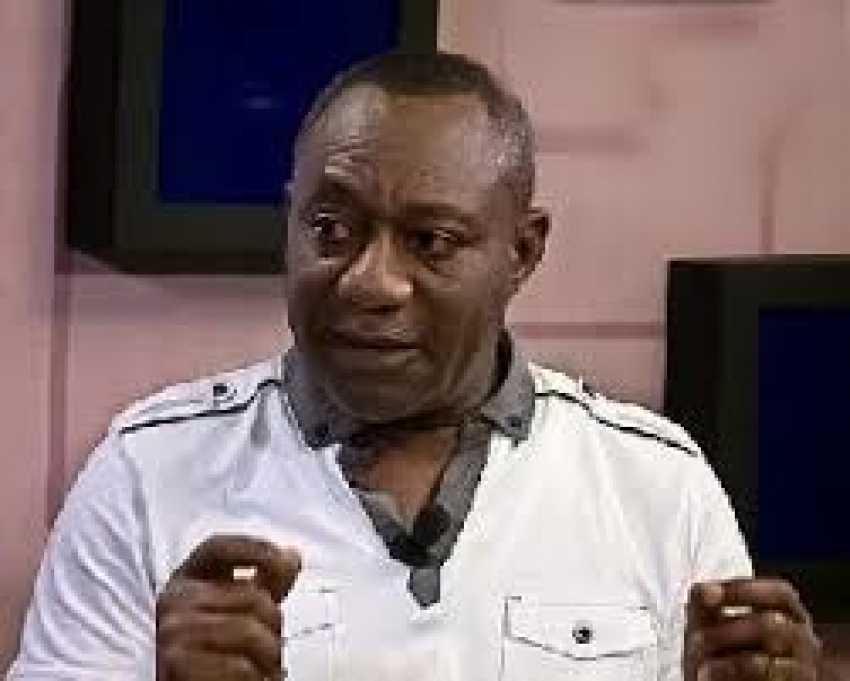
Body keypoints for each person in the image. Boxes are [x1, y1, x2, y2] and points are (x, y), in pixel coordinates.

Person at [8, 51, 822, 681]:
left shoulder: (656, 485)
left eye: (430, 241)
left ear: (521, 251)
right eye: (331, 229)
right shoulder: (149, 470)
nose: (370, 282)